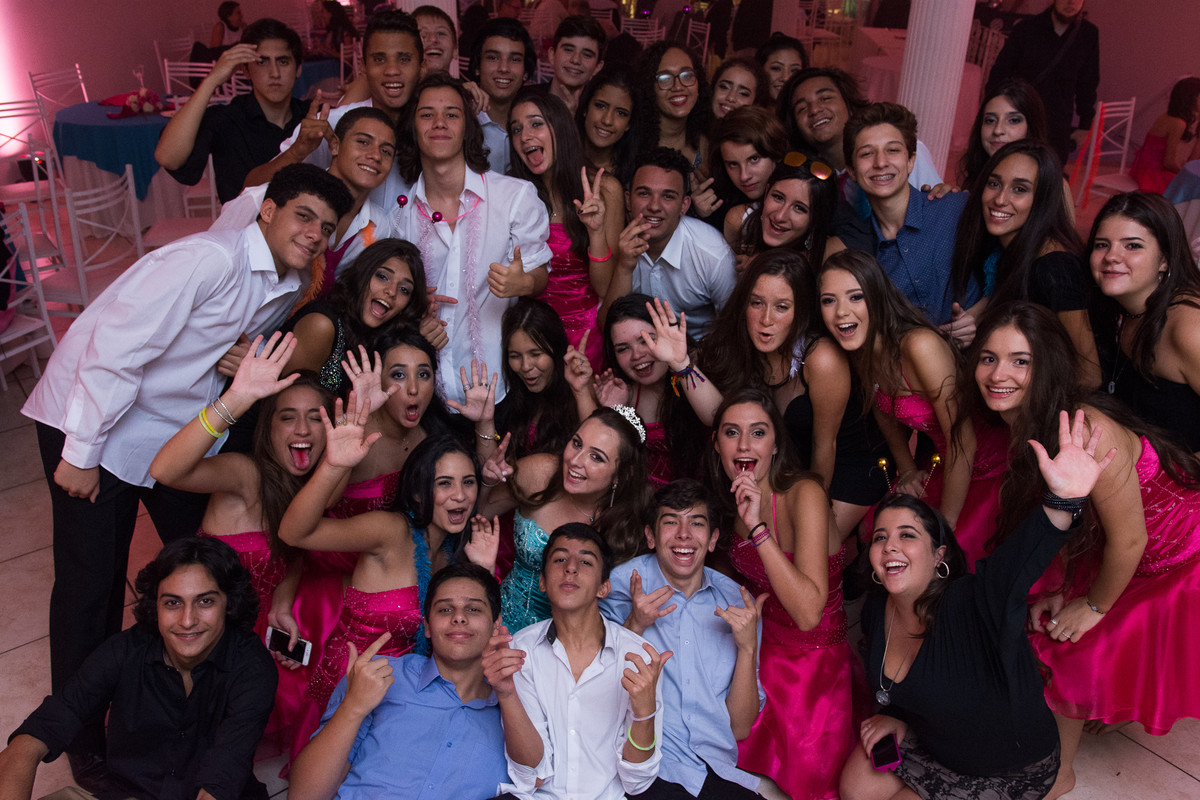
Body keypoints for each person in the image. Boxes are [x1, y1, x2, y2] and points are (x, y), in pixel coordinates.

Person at [20, 163, 351, 779]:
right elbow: (112, 348)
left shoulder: (283, 282)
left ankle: (194, 711)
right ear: (269, 211)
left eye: (327, 227)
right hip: (93, 420)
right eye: (304, 215)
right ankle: (84, 743)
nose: (315, 233)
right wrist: (81, 454)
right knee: (90, 589)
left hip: (165, 432)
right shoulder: (206, 260)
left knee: (204, 565)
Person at [964, 303, 1200, 800]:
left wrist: (1092, 604)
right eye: (988, 358)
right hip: (1119, 548)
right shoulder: (1020, 423)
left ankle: (1058, 775)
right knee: (1040, 624)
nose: (998, 374)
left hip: (1178, 557)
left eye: (1020, 361)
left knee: (1070, 648)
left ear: (1047, 366)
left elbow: (1130, 540)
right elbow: (1074, 520)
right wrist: (1068, 588)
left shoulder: (1088, 426)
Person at [840, 409, 1114, 800]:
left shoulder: (971, 601)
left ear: (939, 555)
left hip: (1007, 765)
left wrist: (1062, 501)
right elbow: (897, 686)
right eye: (880, 537)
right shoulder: (877, 608)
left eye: (907, 535)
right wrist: (897, 719)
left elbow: (1015, 565)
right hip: (935, 737)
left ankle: (1051, 787)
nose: (891, 547)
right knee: (854, 790)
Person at [0, 537, 278, 800]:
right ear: (155, 606)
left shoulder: (253, 670)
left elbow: (220, 781)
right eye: (173, 603)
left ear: (229, 603)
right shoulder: (125, 651)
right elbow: (29, 741)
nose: (187, 620)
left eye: (205, 601)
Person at [279, 412, 499, 716]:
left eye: (469, 482)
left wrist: (482, 570)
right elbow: (293, 533)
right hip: (348, 690)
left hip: (404, 698)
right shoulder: (390, 531)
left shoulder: (453, 553)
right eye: (445, 483)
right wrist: (333, 465)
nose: (460, 495)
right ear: (420, 491)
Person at [708, 388, 860, 800]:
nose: (744, 445)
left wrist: (757, 528)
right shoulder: (730, 498)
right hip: (759, 650)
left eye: (758, 433)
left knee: (804, 783)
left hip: (814, 669)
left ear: (775, 445)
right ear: (717, 444)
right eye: (731, 433)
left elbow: (809, 612)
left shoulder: (804, 494)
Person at [818, 251, 1008, 567]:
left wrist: (943, 527)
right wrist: (906, 468)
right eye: (828, 300)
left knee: (942, 557)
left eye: (855, 297)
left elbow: (965, 440)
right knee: (880, 533)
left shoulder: (919, 345)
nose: (841, 312)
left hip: (988, 466)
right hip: (945, 466)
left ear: (877, 296)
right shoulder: (861, 351)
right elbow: (882, 410)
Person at [148, 333, 333, 640]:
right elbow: (165, 471)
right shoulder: (247, 473)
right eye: (288, 418)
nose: (302, 429)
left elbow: (294, 555)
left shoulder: (311, 484)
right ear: (268, 429)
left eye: (315, 419)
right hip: (203, 637)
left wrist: (282, 605)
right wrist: (236, 399)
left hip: (259, 635)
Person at [386, 73, 552, 408]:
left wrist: (523, 281)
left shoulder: (515, 197)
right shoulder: (398, 219)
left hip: (502, 390)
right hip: (426, 401)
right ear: (413, 130)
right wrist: (415, 316)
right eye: (427, 114)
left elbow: (539, 277)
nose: (439, 123)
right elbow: (385, 303)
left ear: (467, 127)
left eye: (452, 114)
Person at [700, 251, 887, 538]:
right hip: (791, 470)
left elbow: (826, 444)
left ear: (799, 311)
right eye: (757, 303)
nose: (766, 319)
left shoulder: (821, 359)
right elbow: (720, 419)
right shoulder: (744, 350)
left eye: (782, 307)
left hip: (847, 470)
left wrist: (814, 512)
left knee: (805, 543)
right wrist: (681, 366)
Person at [600, 479, 765, 800]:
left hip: (714, 769)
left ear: (713, 539)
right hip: (643, 767)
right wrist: (635, 624)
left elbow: (740, 728)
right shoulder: (618, 587)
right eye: (671, 521)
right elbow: (591, 695)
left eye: (697, 523)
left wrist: (747, 646)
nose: (684, 534)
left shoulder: (737, 603)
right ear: (650, 536)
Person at [288, 564, 508, 800]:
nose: (459, 618)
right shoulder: (378, 675)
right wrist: (353, 707)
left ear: (496, 626)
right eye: (445, 610)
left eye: (473, 609)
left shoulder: (515, 711)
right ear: (427, 627)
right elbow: (303, 795)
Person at [482, 523, 669, 799]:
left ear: (604, 587)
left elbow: (636, 781)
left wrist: (645, 713)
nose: (570, 568)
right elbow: (533, 775)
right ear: (542, 582)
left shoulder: (640, 656)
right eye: (559, 559)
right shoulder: (521, 649)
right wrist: (506, 694)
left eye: (585, 561)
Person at [479, 407, 650, 631]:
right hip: (500, 623)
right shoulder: (542, 473)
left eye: (596, 457)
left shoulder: (628, 525)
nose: (576, 461)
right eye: (577, 444)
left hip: (567, 648)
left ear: (622, 474)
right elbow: (481, 512)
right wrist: (487, 482)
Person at [211, 106, 398, 299]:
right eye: (363, 142)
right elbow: (213, 252)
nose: (375, 156)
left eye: (386, 151)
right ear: (334, 145)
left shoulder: (379, 227)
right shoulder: (268, 196)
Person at [950, 140, 1099, 381]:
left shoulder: (1057, 267)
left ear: (1042, 199)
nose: (1000, 199)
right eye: (994, 184)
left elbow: (1089, 375)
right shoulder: (1009, 249)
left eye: (1019, 189)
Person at [247, 9, 423, 211]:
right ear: (363, 66)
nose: (392, 70)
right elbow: (250, 188)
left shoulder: (434, 127)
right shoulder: (335, 123)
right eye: (379, 59)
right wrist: (298, 151)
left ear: (421, 65)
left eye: (404, 59)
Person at [844, 102, 978, 340]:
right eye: (866, 153)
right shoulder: (862, 254)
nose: (880, 162)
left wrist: (977, 316)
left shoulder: (955, 208)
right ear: (852, 171)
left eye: (893, 150)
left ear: (911, 160)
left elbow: (1009, 274)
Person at [508, 89, 622, 369]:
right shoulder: (509, 192)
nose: (524, 136)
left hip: (585, 339)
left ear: (560, 128)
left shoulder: (605, 189)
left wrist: (595, 233)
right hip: (531, 341)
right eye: (516, 129)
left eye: (536, 123)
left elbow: (606, 288)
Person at [1087, 192, 1200, 452]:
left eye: (1133, 245)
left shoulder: (1189, 327)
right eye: (1102, 244)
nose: (1111, 256)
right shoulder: (1122, 308)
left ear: (1165, 260)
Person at [155, 18, 311, 203]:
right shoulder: (227, 118)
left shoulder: (311, 115)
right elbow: (168, 158)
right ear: (245, 70)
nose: (274, 73)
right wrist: (212, 79)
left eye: (283, 62)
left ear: (298, 68)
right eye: (262, 62)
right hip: (239, 230)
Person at [604, 147, 736, 338]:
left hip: (702, 353)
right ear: (627, 200)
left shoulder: (712, 254)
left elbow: (732, 328)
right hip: (642, 351)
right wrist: (624, 267)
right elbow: (609, 327)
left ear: (684, 205)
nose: (654, 206)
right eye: (643, 193)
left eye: (668, 196)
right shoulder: (620, 245)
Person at [279, 238, 430, 396]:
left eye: (404, 289)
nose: (392, 291)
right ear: (362, 274)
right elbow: (289, 403)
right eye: (383, 277)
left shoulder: (378, 339)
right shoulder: (322, 325)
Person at [594, 295, 710, 489]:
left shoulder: (698, 372)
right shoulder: (620, 393)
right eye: (623, 349)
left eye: (646, 340)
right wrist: (615, 412)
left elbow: (715, 417)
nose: (637, 355)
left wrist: (679, 363)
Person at [779, 67, 943, 202]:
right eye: (802, 108)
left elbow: (937, 202)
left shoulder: (900, 152)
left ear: (848, 103)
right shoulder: (807, 176)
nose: (814, 110)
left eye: (826, 98)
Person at [986, 0, 1100, 166]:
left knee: (1049, 177)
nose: (1071, 2)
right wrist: (993, 115)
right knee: (1011, 169)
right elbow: (999, 74)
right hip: (1020, 116)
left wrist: (1085, 125)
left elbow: (1088, 83)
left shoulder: (1088, 34)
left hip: (1058, 123)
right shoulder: (1027, 28)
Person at [497, 298, 594, 461]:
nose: (526, 366)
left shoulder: (579, 388)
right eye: (515, 356)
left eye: (536, 354)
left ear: (556, 351)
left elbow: (595, 445)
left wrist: (581, 390)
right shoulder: (508, 396)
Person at [724, 151, 844, 271]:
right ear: (766, 193)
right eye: (778, 197)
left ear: (815, 219)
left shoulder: (828, 257)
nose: (780, 216)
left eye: (799, 208)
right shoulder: (738, 222)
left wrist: (765, 264)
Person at [467, 17, 537, 175]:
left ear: (526, 72)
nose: (504, 68)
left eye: (515, 59)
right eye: (493, 57)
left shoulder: (539, 123)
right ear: (477, 66)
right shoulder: (460, 119)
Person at [709, 106, 787, 244]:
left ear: (776, 153)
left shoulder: (804, 188)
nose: (744, 176)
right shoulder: (720, 203)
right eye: (733, 164)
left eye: (754, 159)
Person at [958, 78, 1052, 188]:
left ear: (1031, 125)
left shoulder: (1052, 185)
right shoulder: (976, 179)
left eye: (1013, 120)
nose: (998, 130)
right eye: (990, 120)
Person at [635, 42, 710, 175]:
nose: (678, 87)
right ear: (649, 88)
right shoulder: (633, 144)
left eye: (687, 76)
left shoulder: (706, 146)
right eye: (665, 78)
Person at [1130, 77, 1200, 194]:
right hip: (1152, 174)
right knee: (1192, 187)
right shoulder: (1177, 123)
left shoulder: (1169, 116)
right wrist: (1183, 173)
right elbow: (1168, 163)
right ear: (1191, 99)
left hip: (1142, 168)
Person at [576, 66, 640, 185]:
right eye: (600, 106)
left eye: (621, 113)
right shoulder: (558, 156)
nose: (607, 120)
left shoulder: (635, 176)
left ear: (629, 124)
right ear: (585, 107)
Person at [533, 16, 607, 116]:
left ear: (598, 67)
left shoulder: (598, 115)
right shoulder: (526, 99)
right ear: (551, 55)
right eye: (568, 50)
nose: (575, 60)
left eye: (587, 55)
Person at [755, 32, 807, 104]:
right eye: (776, 68)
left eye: (794, 70)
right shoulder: (747, 113)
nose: (786, 78)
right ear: (760, 70)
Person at [413, 4, 458, 78]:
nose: (433, 39)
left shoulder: (467, 89)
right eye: (423, 34)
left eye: (441, 33)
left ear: (455, 49)